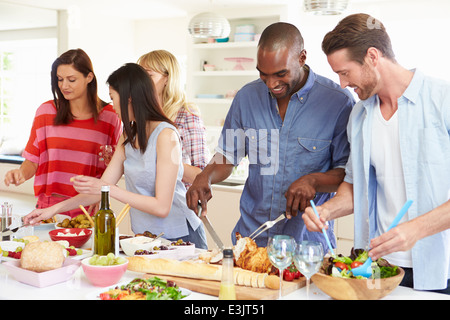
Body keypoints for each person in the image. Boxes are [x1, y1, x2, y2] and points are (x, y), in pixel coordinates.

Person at [302, 13, 450, 293]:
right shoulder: (359, 115)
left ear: (372, 56)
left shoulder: (443, 99)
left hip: (441, 268)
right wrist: (326, 211)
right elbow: (355, 186)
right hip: (378, 267)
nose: (343, 84)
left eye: (345, 72)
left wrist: (415, 229)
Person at [186, 22, 354, 249]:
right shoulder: (246, 97)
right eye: (263, 75)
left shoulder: (338, 102)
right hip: (250, 241)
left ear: (302, 57)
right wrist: (204, 176)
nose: (272, 84)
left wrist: (313, 181)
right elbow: (226, 156)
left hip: (307, 247)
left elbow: (347, 173)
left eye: (281, 74)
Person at [24, 63, 208, 249]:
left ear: (129, 98)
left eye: (113, 98)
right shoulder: (129, 136)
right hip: (146, 236)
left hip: (181, 236)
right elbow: (99, 190)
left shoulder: (166, 136)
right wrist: (51, 210)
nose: (112, 106)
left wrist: (108, 188)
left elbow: (161, 207)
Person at [3, 49, 122, 218]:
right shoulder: (45, 112)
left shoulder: (110, 116)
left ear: (89, 77)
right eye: (59, 79)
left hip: (88, 208)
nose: (64, 86)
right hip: (49, 207)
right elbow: (33, 160)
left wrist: (100, 196)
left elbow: (112, 167)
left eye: (71, 80)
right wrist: (21, 173)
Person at [138, 50, 208, 188]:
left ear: (167, 78)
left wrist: (163, 162)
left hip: (178, 202)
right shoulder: (141, 115)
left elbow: (202, 174)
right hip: (146, 200)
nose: (141, 82)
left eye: (149, 75)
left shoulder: (186, 114)